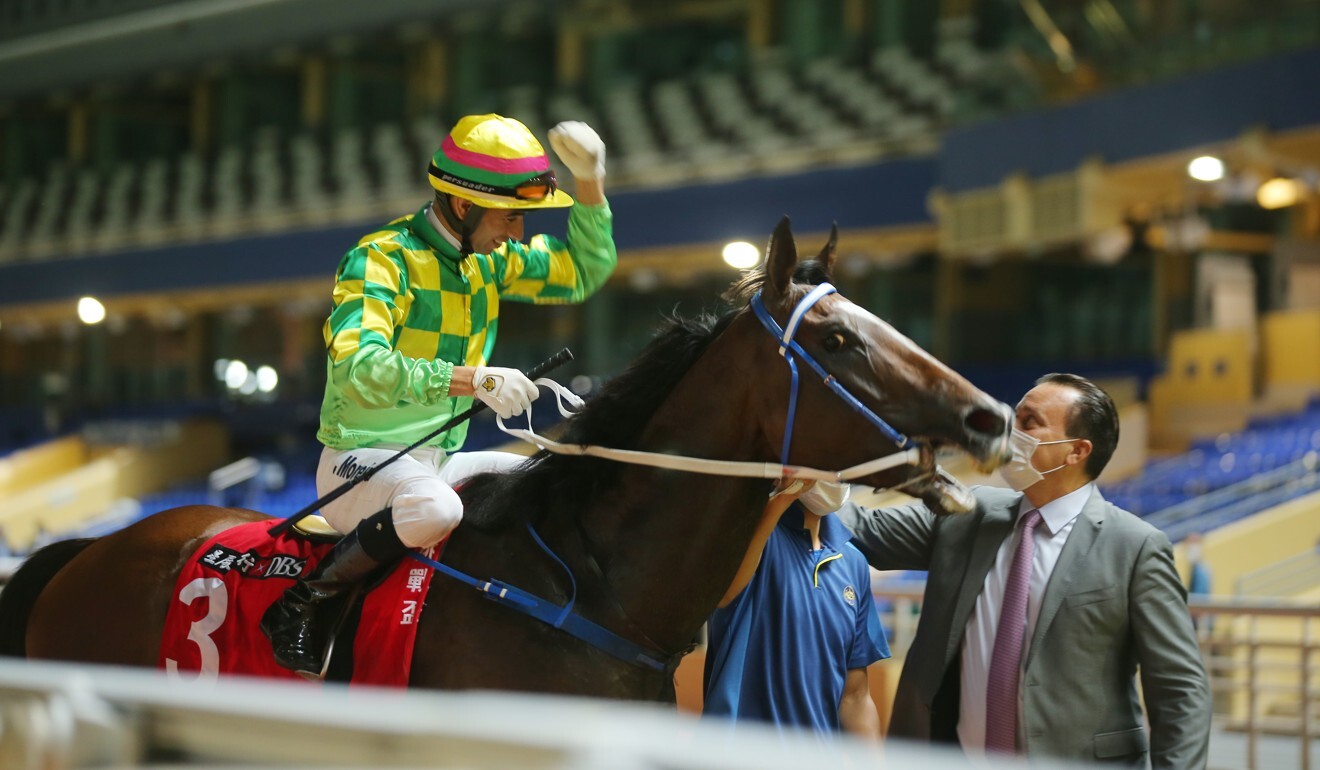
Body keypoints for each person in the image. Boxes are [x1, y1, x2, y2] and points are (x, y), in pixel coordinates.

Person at [261, 114, 616, 677]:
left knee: (548, 478)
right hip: (357, 462)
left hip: (435, 460)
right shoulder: (382, 257)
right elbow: (358, 365)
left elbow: (580, 272)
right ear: (461, 205)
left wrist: (591, 184)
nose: (519, 233)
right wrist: (471, 379)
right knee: (437, 508)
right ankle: (306, 601)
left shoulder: (489, 261)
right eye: (511, 216)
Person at [835, 373, 1211, 767]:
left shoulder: (1135, 547)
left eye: (1029, 422)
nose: (1012, 432)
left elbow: (1181, 691)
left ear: (1077, 451)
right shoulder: (969, 512)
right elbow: (860, 529)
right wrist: (796, 468)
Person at [703, 480, 891, 738]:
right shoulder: (753, 536)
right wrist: (782, 497)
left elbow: (855, 697)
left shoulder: (853, 562)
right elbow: (724, 593)